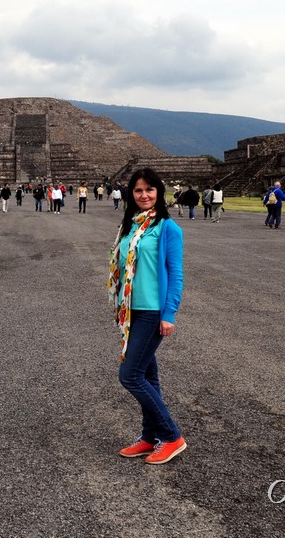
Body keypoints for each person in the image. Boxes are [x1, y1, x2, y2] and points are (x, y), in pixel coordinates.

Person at [107, 167, 187, 465]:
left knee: (130, 376)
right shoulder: (129, 226)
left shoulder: (168, 228)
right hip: (132, 311)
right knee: (148, 376)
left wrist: (169, 313)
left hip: (152, 313)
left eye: (149, 190)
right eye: (138, 190)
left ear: (159, 193)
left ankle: (171, 436)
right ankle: (150, 437)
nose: (144, 195)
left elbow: (176, 274)